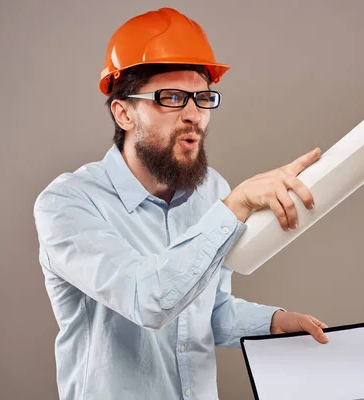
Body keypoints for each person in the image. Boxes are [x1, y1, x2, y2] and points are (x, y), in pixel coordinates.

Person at [33, 7, 328, 400]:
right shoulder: (67, 204)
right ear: (123, 112)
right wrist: (234, 207)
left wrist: (272, 323)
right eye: (171, 98)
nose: (194, 115)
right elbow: (147, 300)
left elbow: (206, 311)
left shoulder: (210, 190)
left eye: (203, 98)